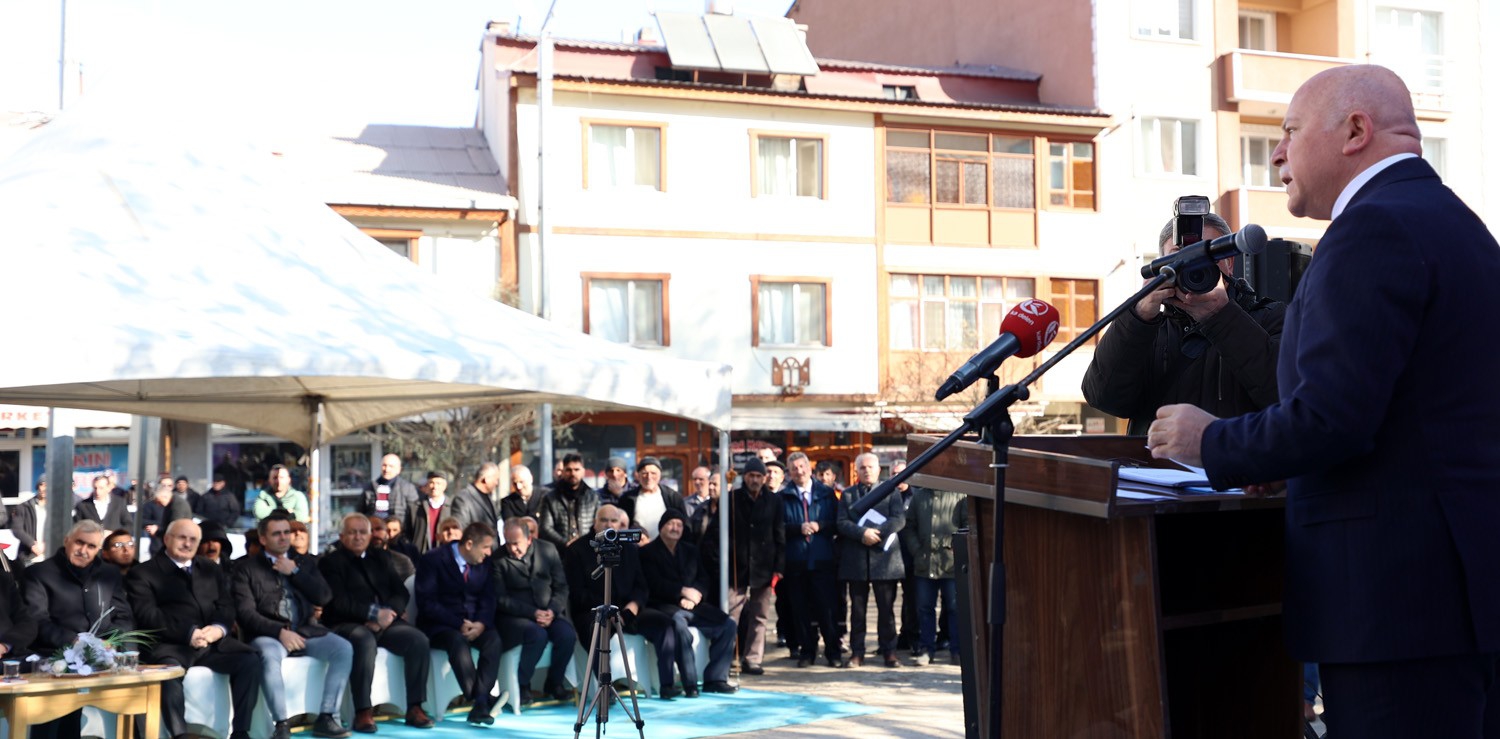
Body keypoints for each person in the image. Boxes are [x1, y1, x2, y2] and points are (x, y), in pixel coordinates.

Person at [1146, 65, 1500, 739]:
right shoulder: (1459, 227)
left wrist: (1210, 440)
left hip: (1397, 613)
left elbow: (1334, 417)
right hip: (1456, 601)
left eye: (1288, 133)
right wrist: (1293, 462)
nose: (1276, 153)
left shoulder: (1373, 230)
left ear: (1355, 132)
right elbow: (1414, 418)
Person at [1082, 206, 1284, 435]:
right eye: (1181, 255)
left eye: (1208, 254)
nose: (1195, 264)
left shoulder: (1271, 318)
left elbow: (1285, 395)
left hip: (1234, 467)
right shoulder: (1147, 327)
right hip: (1156, 467)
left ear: (1229, 262)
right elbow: (1103, 398)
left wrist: (1222, 316)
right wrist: (1137, 317)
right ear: (1161, 266)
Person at [126, 519, 262, 739]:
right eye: (182, 538)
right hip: (170, 644)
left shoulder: (209, 568)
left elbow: (226, 604)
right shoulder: (143, 573)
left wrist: (219, 628)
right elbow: (147, 614)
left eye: (193, 540)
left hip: (211, 643)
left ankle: (241, 731)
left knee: (250, 661)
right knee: (168, 673)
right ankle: (179, 734)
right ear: (166, 539)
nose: (187, 544)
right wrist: (187, 633)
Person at [232, 512, 353, 739]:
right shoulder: (246, 568)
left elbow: (325, 596)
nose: (284, 538)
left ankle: (327, 716)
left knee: (343, 648)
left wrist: (294, 572)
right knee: (268, 655)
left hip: (306, 630)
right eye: (276, 533)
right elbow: (246, 614)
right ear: (263, 539)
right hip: (268, 634)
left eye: (286, 532)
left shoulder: (304, 562)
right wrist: (279, 632)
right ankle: (281, 723)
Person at [318, 513, 436, 731]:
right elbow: (338, 602)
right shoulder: (331, 562)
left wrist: (387, 614)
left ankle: (415, 707)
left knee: (418, 639)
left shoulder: (380, 558)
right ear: (342, 536)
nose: (357, 537)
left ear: (370, 535)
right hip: (346, 624)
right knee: (364, 641)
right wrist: (371, 616)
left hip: (385, 622)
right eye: (352, 532)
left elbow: (400, 592)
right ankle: (363, 710)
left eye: (362, 532)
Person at [21, 521, 119, 739]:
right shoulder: (38, 573)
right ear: (66, 541)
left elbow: (123, 616)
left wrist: (116, 643)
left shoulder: (109, 574)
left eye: (91, 546)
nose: (83, 551)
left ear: (98, 550)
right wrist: (75, 641)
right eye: (79, 543)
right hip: (52, 659)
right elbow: (36, 621)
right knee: (52, 726)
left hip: (100, 658)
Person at [640, 508, 738, 697]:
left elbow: (703, 578)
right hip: (663, 605)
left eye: (679, 525)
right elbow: (653, 583)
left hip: (694, 605)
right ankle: (690, 684)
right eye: (670, 524)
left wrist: (696, 595)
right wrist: (681, 592)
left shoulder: (691, 550)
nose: (675, 528)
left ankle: (715, 678)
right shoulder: (648, 553)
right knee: (679, 625)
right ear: (661, 527)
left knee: (728, 624)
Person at [415, 521, 503, 725]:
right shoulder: (433, 560)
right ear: (470, 544)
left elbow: (489, 597)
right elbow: (426, 602)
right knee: (457, 641)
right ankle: (482, 699)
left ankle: (480, 702)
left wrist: (481, 623)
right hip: (440, 625)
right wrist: (457, 623)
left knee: (494, 640)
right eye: (486, 547)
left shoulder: (484, 563)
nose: (489, 553)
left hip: (475, 623)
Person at [491, 518, 575, 706]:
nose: (512, 548)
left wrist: (552, 611)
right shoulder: (497, 559)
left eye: (516, 543)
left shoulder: (548, 550)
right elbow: (500, 598)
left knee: (567, 635)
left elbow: (561, 587)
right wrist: (533, 613)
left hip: (549, 611)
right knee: (537, 635)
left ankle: (554, 683)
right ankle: (522, 685)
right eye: (508, 543)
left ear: (529, 539)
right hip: (515, 616)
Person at [837, 452, 906, 669]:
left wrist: (876, 533)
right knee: (857, 611)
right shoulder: (847, 495)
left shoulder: (891, 492)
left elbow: (899, 519)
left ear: (879, 470)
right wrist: (861, 534)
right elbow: (841, 522)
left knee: (886, 610)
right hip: (856, 560)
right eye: (862, 467)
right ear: (856, 471)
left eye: (870, 467)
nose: (867, 471)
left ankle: (889, 652)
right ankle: (857, 652)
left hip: (884, 559)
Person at [778, 451, 841, 668]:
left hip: (822, 560)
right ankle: (807, 652)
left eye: (801, 467)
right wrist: (797, 528)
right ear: (789, 472)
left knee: (827, 609)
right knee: (800, 610)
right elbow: (777, 529)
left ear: (809, 468)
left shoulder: (826, 493)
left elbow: (837, 522)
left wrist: (820, 525)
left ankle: (833, 652)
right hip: (795, 562)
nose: (799, 472)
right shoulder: (783, 496)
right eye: (793, 468)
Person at [562, 504, 649, 655]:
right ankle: (604, 678)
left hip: (627, 611)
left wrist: (634, 605)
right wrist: (608, 610)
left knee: (664, 625)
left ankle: (667, 679)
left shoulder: (630, 549)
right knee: (597, 631)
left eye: (613, 521)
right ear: (595, 523)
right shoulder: (577, 550)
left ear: (619, 524)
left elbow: (641, 586)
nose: (609, 525)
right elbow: (577, 594)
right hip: (593, 612)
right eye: (604, 520)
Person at [726, 458, 783, 676]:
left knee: (760, 615)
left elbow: (780, 535)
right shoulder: (733, 499)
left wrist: (779, 566)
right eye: (751, 475)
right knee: (732, 614)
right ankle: (730, 657)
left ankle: (753, 659)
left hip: (764, 566)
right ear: (745, 477)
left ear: (764, 478)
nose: (755, 480)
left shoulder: (774, 501)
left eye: (759, 476)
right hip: (736, 566)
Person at [903, 480, 966, 666]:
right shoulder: (919, 496)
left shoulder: (959, 494)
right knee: (924, 609)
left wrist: (954, 545)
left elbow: (967, 524)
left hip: (951, 564)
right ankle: (926, 649)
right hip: (925, 563)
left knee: (955, 609)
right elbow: (909, 526)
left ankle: (957, 651)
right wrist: (916, 549)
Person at [538, 454, 598, 550]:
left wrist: (585, 542)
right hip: (559, 552)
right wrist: (565, 543)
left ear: (583, 471)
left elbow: (598, 525)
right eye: (568, 470)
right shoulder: (550, 497)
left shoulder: (593, 497)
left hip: (587, 550)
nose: (572, 473)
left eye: (576, 470)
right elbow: (545, 528)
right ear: (563, 471)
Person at [618, 457, 685, 541]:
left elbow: (683, 524)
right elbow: (622, 527)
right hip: (637, 548)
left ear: (660, 475)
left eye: (653, 473)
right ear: (638, 475)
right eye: (645, 473)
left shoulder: (673, 497)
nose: (649, 477)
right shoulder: (627, 498)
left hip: (667, 548)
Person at [362, 454, 419, 527]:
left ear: (398, 469)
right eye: (384, 465)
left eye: (391, 466)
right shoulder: (369, 488)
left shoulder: (407, 488)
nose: (386, 469)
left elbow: (414, 515)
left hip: (400, 533)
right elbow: (361, 512)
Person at [406, 471, 452, 554]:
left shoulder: (451, 507)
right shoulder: (416, 507)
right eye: (432, 483)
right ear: (427, 485)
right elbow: (407, 532)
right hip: (420, 554)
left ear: (445, 486)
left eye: (438, 483)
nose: (434, 487)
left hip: (444, 555)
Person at [449, 463, 501, 531]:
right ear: (486, 479)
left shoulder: (489, 497)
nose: (497, 484)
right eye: (496, 480)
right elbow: (460, 529)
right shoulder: (463, 499)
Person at [9, 478, 44, 566]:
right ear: (37, 487)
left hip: (51, 554)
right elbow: (17, 529)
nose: (45, 488)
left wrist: (46, 544)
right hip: (29, 555)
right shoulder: (24, 506)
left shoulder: (58, 508)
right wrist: (32, 544)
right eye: (42, 484)